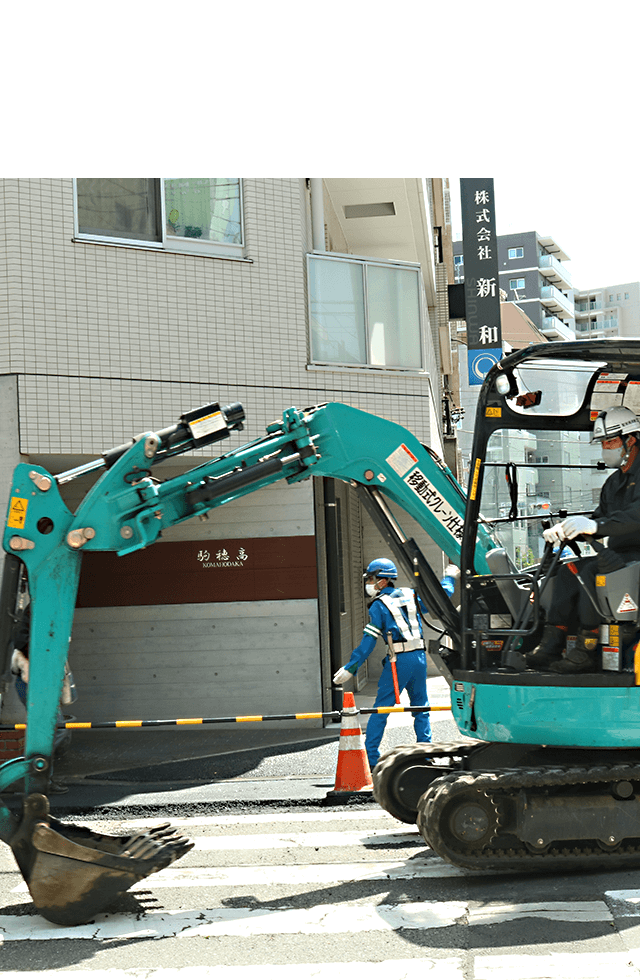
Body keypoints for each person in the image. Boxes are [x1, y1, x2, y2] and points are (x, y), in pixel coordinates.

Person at [527, 405, 640, 674]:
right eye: (603, 443)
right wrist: (567, 529)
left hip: (636, 556)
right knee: (569, 571)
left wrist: (595, 525)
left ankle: (587, 649)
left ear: (631, 439)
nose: (605, 448)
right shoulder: (614, 483)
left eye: (610, 441)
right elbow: (598, 520)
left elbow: (635, 515)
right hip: (622, 556)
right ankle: (551, 642)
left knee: (591, 571)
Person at [332, 558, 431, 770]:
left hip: (399, 661)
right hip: (420, 658)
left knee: (381, 709)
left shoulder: (379, 605)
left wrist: (351, 667)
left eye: (371, 578)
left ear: (383, 580)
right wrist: (450, 577)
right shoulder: (410, 594)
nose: (368, 583)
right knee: (421, 708)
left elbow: (369, 641)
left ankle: (372, 758)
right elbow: (436, 602)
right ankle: (426, 754)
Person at [10, 600, 74, 793]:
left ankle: (40, 778)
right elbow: (25, 643)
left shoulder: (34, 619)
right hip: (35, 682)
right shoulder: (33, 622)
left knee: (51, 730)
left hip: (38, 681)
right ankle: (29, 774)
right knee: (56, 730)